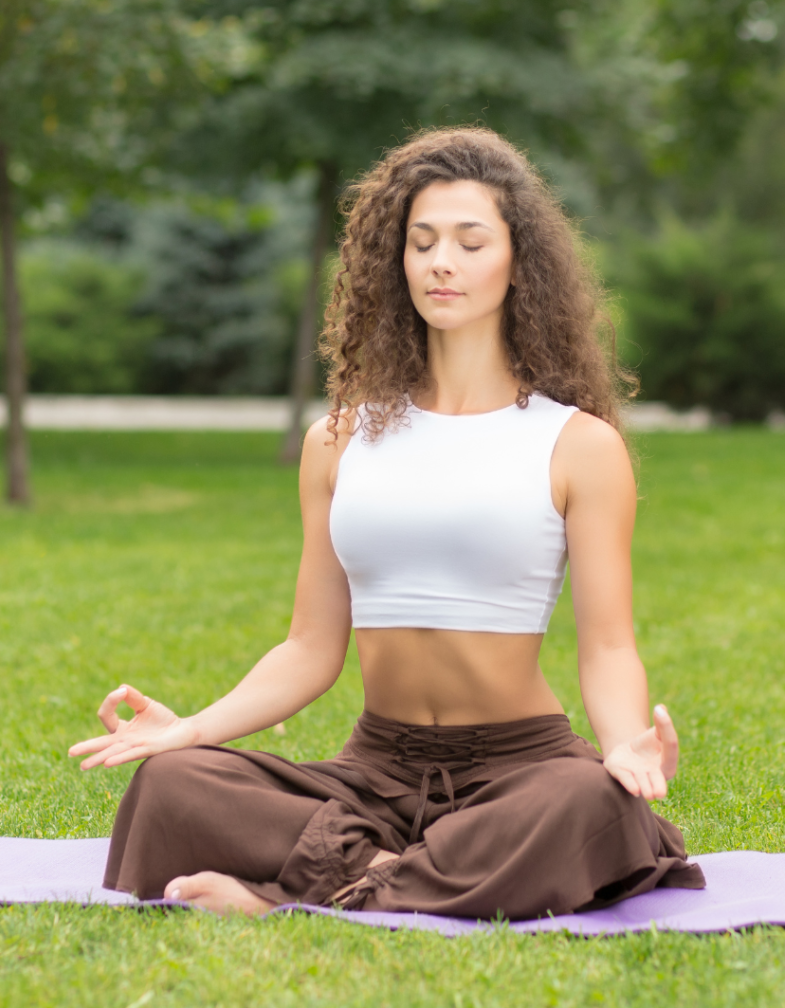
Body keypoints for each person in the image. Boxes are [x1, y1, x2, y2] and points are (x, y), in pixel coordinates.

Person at [69, 127, 706, 920]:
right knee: (175, 783)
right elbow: (310, 648)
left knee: (592, 803)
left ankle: (303, 895)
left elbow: (609, 646)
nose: (441, 261)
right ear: (395, 259)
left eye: (471, 242)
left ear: (519, 265)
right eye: (422, 241)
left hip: (520, 768)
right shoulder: (337, 442)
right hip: (372, 771)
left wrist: (619, 748)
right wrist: (191, 728)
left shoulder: (578, 445)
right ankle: (405, 878)